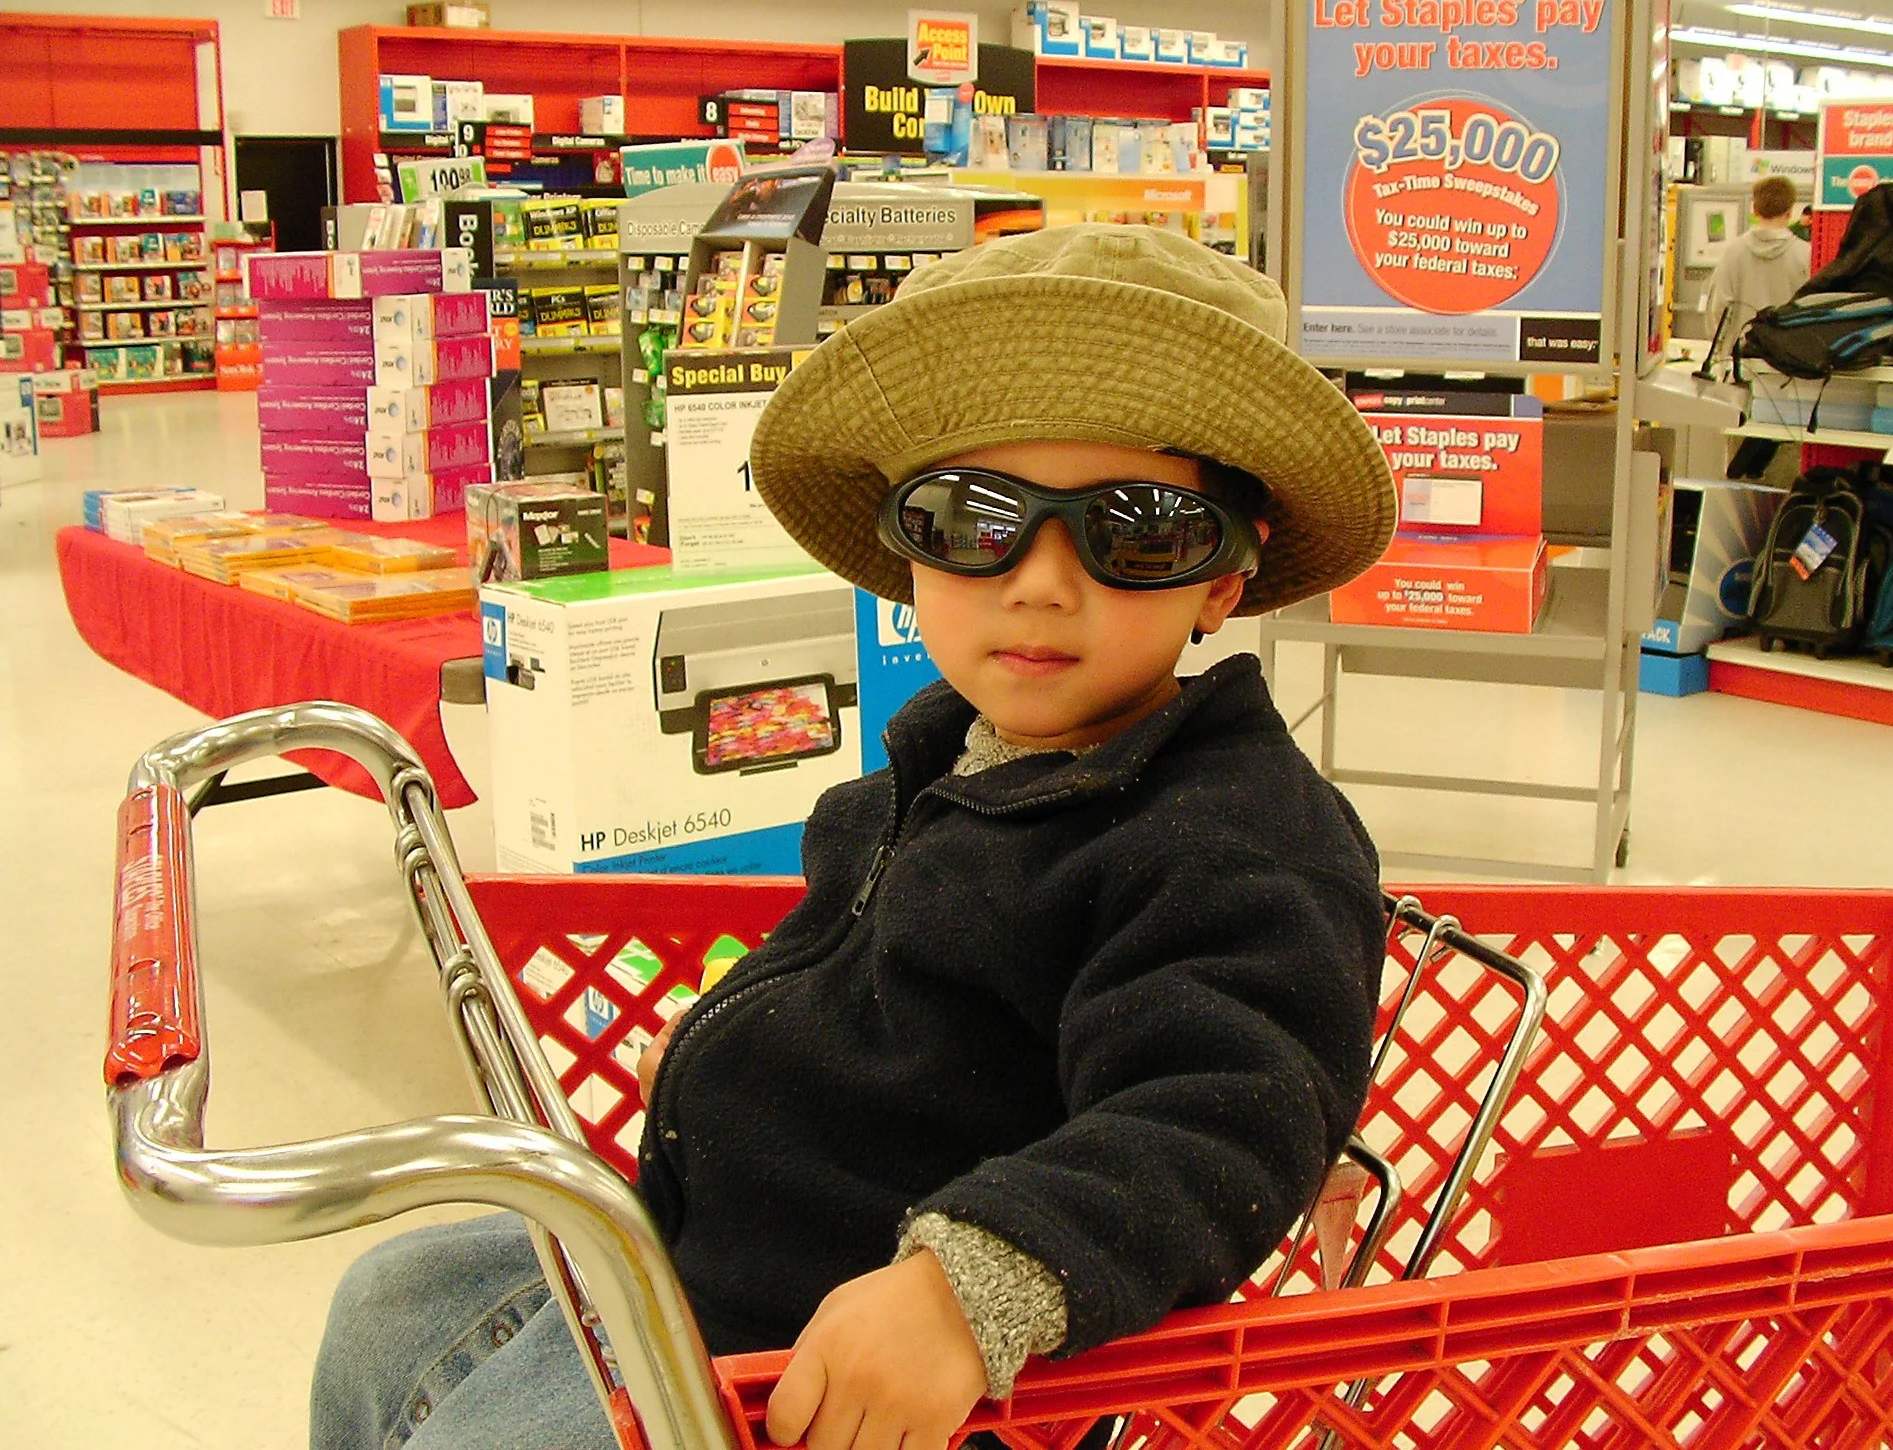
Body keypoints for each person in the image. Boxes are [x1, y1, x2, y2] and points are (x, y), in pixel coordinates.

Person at [310, 224, 1398, 1450]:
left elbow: (1227, 1112)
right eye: (971, 520)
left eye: (1136, 530)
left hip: (862, 1373)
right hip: (717, 1239)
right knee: (386, 1302)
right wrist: (748, 1017)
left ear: (1222, 581)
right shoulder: (943, 750)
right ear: (904, 553)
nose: (1039, 582)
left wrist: (965, 1287)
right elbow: (872, 951)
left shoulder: (1243, 836)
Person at [1706, 174, 1811, 359]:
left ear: (1754, 209)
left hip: (1741, 361)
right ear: (1790, 211)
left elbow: (1719, 309)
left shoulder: (1732, 252)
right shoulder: (1805, 255)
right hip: (1789, 364)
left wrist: (1722, 351)